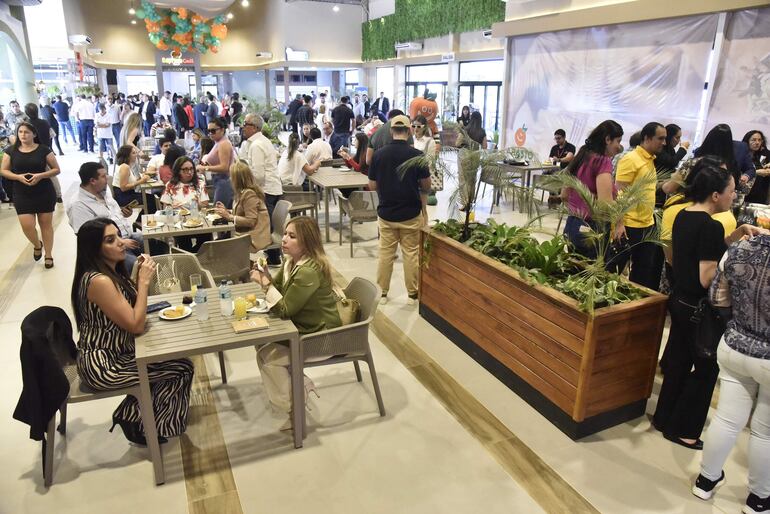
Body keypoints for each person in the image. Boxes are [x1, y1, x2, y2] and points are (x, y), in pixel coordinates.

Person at [652, 165, 767, 450]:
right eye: (731, 191)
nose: (733, 196)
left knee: (678, 361)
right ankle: (685, 430)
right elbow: (706, 276)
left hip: (679, 299)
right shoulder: (711, 225)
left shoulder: (684, 214)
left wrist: (735, 235)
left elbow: (696, 253)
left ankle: (663, 418)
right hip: (699, 309)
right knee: (705, 369)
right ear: (716, 195)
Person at [70, 217, 193, 446]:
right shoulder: (98, 281)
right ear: (94, 248)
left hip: (118, 352)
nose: (120, 243)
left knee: (170, 359)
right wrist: (144, 282)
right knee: (181, 368)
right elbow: (135, 324)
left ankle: (131, 415)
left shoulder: (109, 272)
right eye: (110, 240)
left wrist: (136, 279)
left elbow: (132, 308)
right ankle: (152, 427)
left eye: (118, 236)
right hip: (103, 364)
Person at [692, 233, 770, 512]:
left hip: (735, 344)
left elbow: (717, 296)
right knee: (765, 433)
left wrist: (737, 322)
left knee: (725, 419)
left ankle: (706, 480)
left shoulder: (741, 247)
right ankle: (759, 498)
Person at [251, 216, 341, 430]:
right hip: (305, 328)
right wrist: (267, 277)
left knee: (269, 358)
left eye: (292, 236)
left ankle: (293, 409)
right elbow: (281, 291)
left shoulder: (308, 270)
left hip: (322, 337)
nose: (284, 240)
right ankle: (298, 387)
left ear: (306, 242)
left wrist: (264, 284)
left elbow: (285, 309)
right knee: (262, 348)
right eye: (284, 234)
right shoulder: (292, 262)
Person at [368, 115, 431, 304]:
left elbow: (372, 185)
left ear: (391, 131)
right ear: (409, 130)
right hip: (410, 214)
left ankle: (383, 294)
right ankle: (412, 295)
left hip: (386, 214)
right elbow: (426, 186)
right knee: (411, 253)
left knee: (385, 254)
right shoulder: (417, 156)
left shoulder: (378, 155)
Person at [607, 121, 667, 291]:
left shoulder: (649, 160)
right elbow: (619, 194)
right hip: (629, 225)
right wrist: (619, 224)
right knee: (614, 269)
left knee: (642, 273)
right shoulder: (631, 159)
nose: (664, 142)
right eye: (660, 138)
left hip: (647, 225)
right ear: (647, 138)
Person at [0, 122, 60, 268]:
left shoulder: (44, 150)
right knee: (27, 226)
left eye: (26, 132)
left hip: (43, 191)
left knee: (46, 225)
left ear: (34, 134)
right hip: (22, 192)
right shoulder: (10, 151)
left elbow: (56, 169)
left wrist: (40, 175)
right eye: (20, 132)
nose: (23, 135)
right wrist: (19, 177)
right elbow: (4, 171)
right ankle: (37, 244)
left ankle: (49, 255)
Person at [561, 120, 624, 259]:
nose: (619, 146)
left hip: (572, 224)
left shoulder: (583, 155)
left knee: (573, 270)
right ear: (608, 139)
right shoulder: (602, 161)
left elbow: (564, 194)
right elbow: (605, 203)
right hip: (592, 228)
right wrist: (620, 220)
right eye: (618, 141)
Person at [67, 162, 146, 271]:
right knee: (135, 265)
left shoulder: (104, 192)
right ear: (92, 181)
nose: (107, 178)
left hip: (127, 236)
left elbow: (113, 215)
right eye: (103, 176)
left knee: (156, 244)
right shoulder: (78, 205)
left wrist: (124, 213)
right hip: (108, 249)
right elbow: (87, 239)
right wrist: (120, 242)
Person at [239, 114, 283, 262]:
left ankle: (273, 257)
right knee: (270, 223)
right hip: (273, 187)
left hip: (267, 189)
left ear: (255, 127)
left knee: (267, 225)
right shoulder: (263, 141)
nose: (243, 127)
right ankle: (273, 256)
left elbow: (258, 175)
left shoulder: (257, 145)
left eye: (246, 124)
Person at [215, 160, 271, 252]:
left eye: (231, 177)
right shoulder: (242, 192)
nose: (230, 179)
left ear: (237, 179)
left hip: (253, 238)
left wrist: (229, 217)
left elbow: (251, 221)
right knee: (215, 244)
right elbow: (241, 213)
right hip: (245, 233)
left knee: (215, 247)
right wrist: (226, 211)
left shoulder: (249, 194)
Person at [160, 156, 210, 252]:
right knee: (184, 242)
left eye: (191, 169)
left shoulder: (199, 183)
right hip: (179, 224)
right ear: (178, 171)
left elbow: (205, 204)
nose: (189, 172)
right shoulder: (170, 185)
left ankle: (195, 257)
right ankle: (190, 259)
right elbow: (165, 208)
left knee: (206, 240)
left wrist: (198, 203)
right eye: (185, 170)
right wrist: (171, 208)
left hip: (198, 222)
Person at [694, 124, 755, 189]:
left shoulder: (740, 149)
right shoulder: (702, 151)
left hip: (731, 189)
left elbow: (750, 169)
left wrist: (746, 176)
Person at [200, 116, 236, 208]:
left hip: (224, 181)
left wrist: (205, 168)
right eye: (209, 131)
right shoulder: (218, 142)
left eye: (213, 131)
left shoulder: (223, 144)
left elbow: (224, 167)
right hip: (218, 180)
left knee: (219, 212)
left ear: (222, 130)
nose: (210, 134)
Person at [744, 130, 770, 204]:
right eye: (754, 140)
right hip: (744, 194)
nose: (757, 142)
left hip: (760, 195)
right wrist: (756, 172)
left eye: (759, 140)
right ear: (747, 141)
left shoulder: (764, 154)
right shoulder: (742, 155)